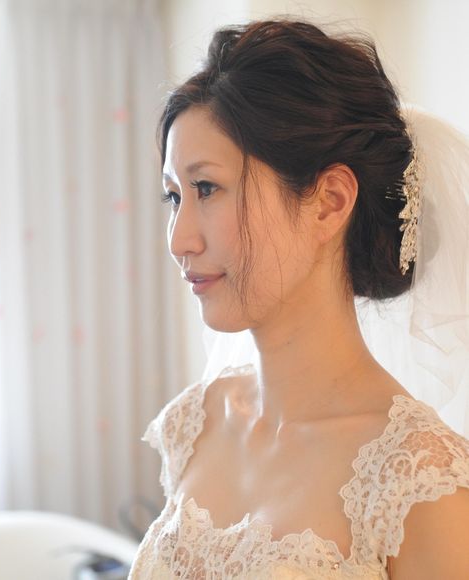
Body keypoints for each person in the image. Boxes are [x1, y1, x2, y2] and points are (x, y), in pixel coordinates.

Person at [128, 18, 469, 579]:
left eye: (207, 188)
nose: (179, 239)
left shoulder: (421, 484)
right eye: (173, 196)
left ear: (329, 201)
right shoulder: (197, 424)